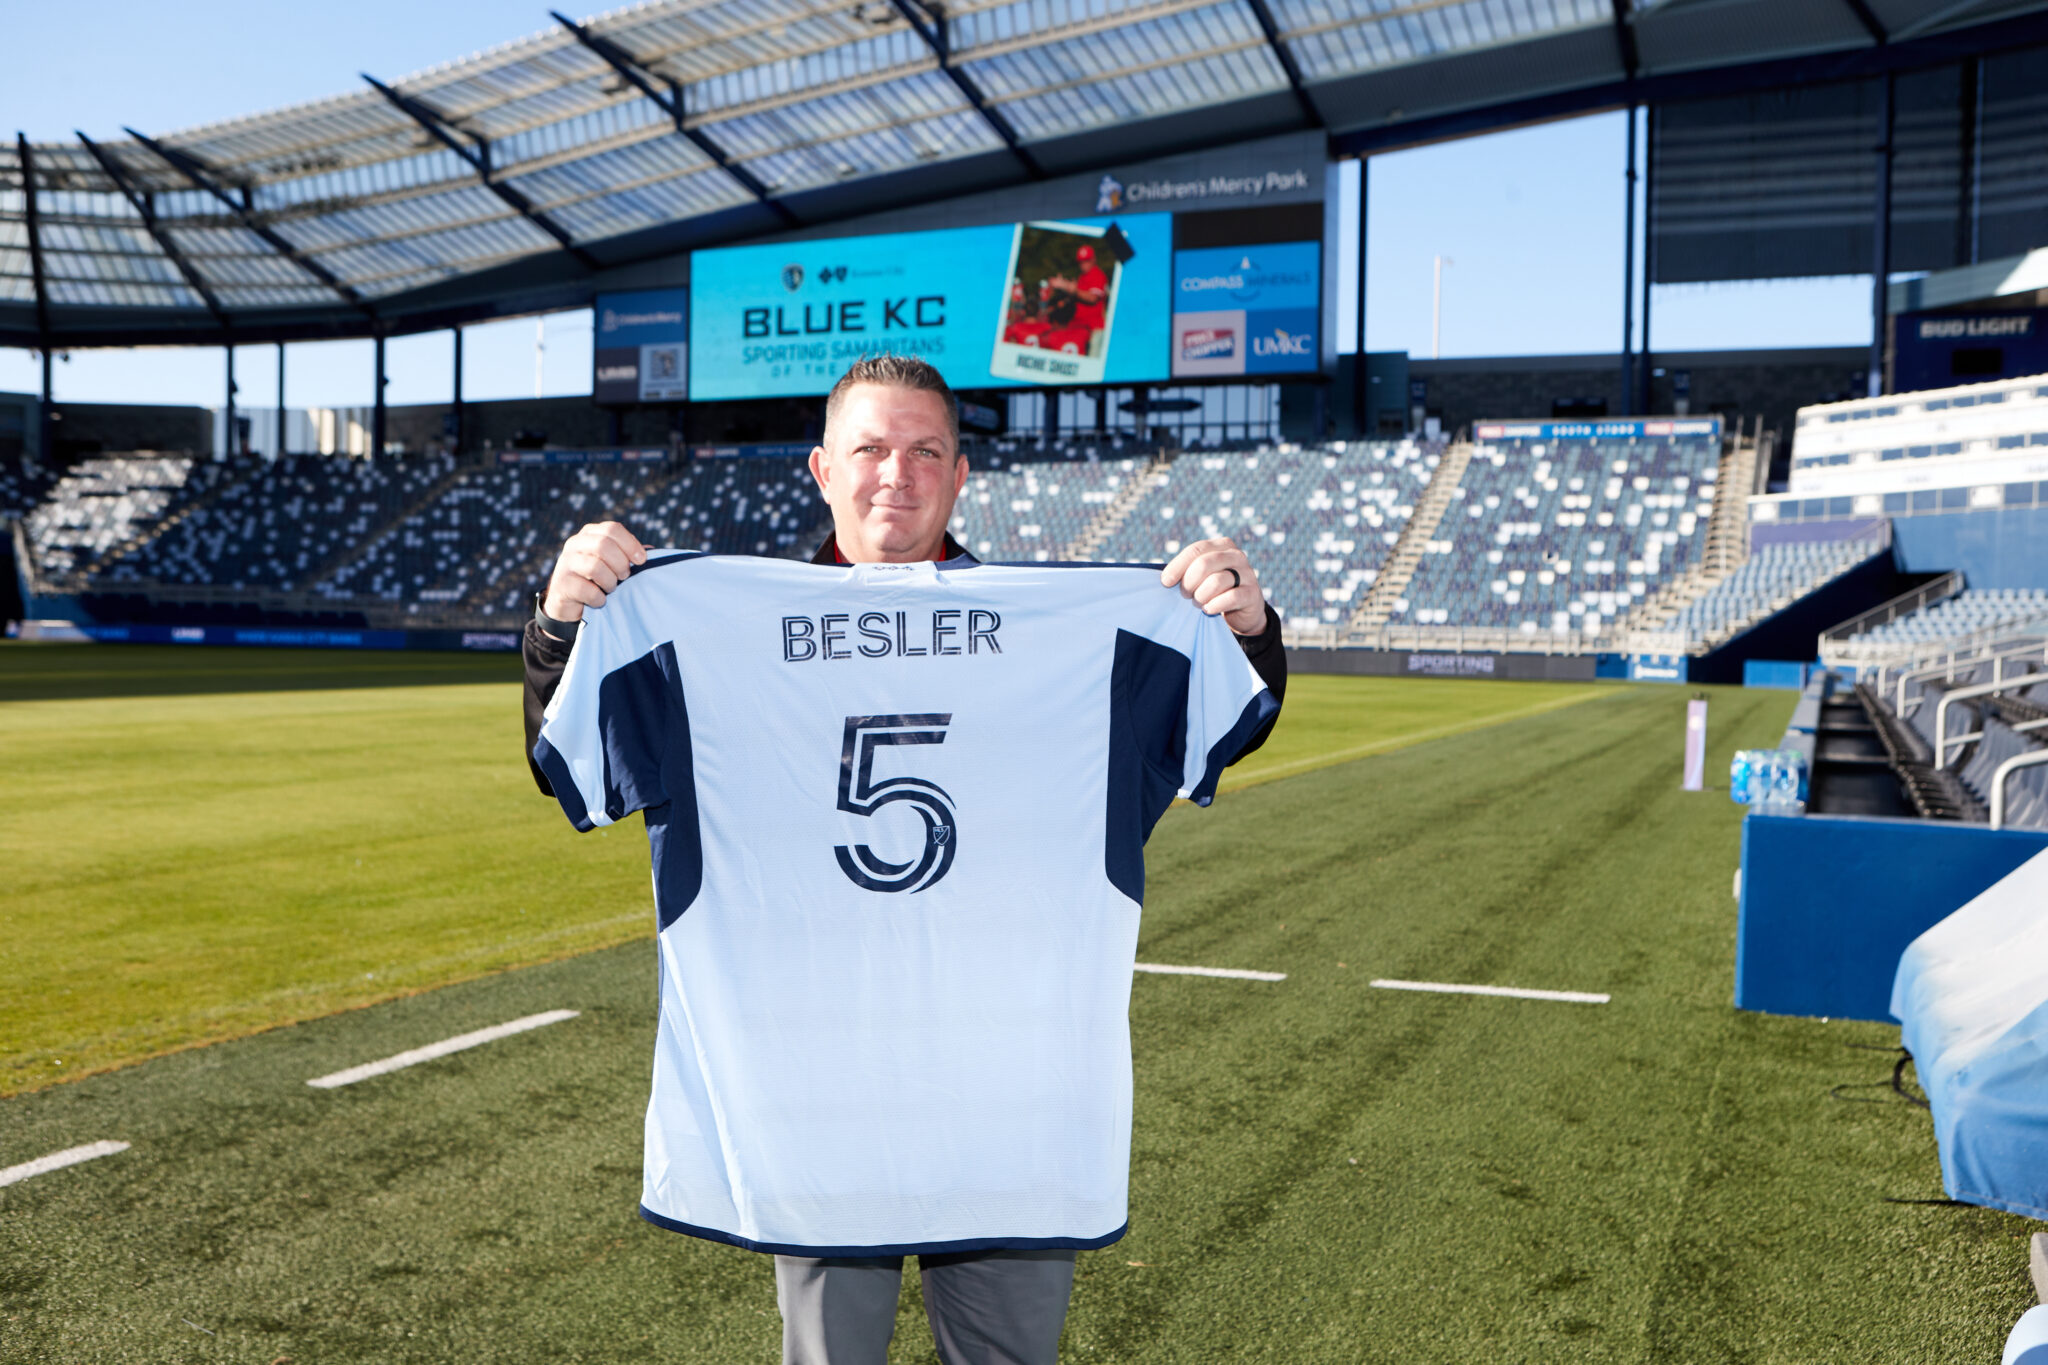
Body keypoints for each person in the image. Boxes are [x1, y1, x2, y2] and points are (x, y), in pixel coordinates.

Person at [521, 355, 1286, 1365]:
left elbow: (1221, 717)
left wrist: (1245, 630)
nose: (896, 473)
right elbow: (570, 758)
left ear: (961, 476)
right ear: (820, 469)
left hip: (1011, 1103)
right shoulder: (706, 629)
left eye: (925, 451)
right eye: (870, 448)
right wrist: (560, 628)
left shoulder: (1077, 637)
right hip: (819, 1103)